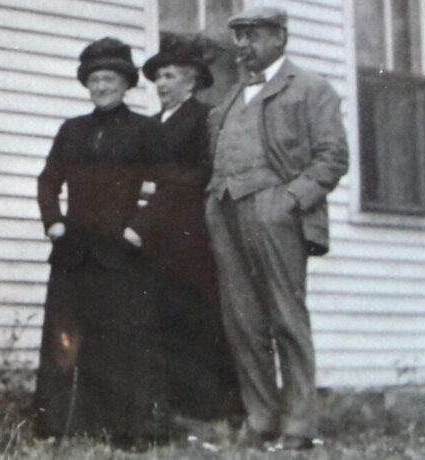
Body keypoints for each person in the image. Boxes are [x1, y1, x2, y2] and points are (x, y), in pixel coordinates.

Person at [204, 5, 349, 451]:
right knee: (243, 321)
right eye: (240, 36)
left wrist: (290, 200)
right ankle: (261, 417)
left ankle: (299, 423)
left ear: (280, 38)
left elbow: (332, 156)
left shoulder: (310, 88)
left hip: (275, 210)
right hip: (226, 212)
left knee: (287, 316)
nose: (243, 45)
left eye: (254, 36)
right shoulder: (229, 96)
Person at [32, 36, 172, 447]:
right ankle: (59, 424)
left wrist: (137, 230)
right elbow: (47, 182)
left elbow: (167, 189)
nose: (102, 86)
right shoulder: (72, 131)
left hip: (122, 252)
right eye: (95, 79)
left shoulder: (146, 131)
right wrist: (54, 223)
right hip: (74, 251)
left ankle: (130, 429)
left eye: (110, 78)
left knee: (124, 341)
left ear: (126, 83)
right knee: (65, 338)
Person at [140, 35, 241, 424]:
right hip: (151, 232)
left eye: (169, 76)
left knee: (193, 315)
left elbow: (203, 170)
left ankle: (208, 405)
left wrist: (159, 183)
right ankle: (167, 403)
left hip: (188, 231)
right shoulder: (149, 124)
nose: (162, 84)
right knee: (159, 313)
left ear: (191, 80)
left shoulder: (204, 118)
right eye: (158, 78)